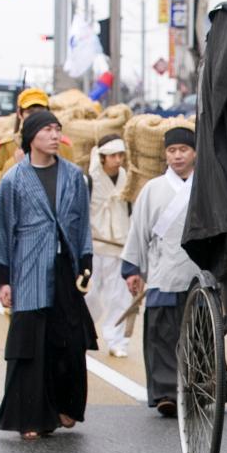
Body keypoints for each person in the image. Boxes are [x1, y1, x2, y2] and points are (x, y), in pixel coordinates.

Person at [0, 109, 97, 440]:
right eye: (46, 129)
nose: (53, 135)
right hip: (28, 270)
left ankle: (66, 405)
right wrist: (2, 279)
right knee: (30, 344)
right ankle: (29, 416)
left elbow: (81, 222)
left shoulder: (74, 176)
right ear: (31, 137)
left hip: (65, 269)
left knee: (68, 340)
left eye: (56, 129)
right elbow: (1, 231)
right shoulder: (12, 180)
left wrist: (85, 262)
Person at [121, 126, 200, 416]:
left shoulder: (206, 186)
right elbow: (138, 231)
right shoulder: (152, 189)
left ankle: (200, 388)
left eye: (183, 150)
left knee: (199, 335)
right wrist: (133, 269)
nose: (177, 156)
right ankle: (167, 392)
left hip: (197, 274)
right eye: (171, 150)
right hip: (163, 273)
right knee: (163, 337)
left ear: (195, 152)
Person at [85, 134, 135, 358]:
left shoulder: (128, 178)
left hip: (120, 245)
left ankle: (117, 340)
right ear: (103, 157)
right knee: (91, 294)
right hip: (95, 246)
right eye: (113, 155)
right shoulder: (89, 180)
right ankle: (85, 331)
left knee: (120, 296)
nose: (118, 160)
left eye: (120, 155)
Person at [0, 88, 52, 200]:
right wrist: (13, 164)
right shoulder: (5, 147)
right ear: (20, 114)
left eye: (41, 111)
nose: (35, 117)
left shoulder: (60, 146)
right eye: (30, 112)